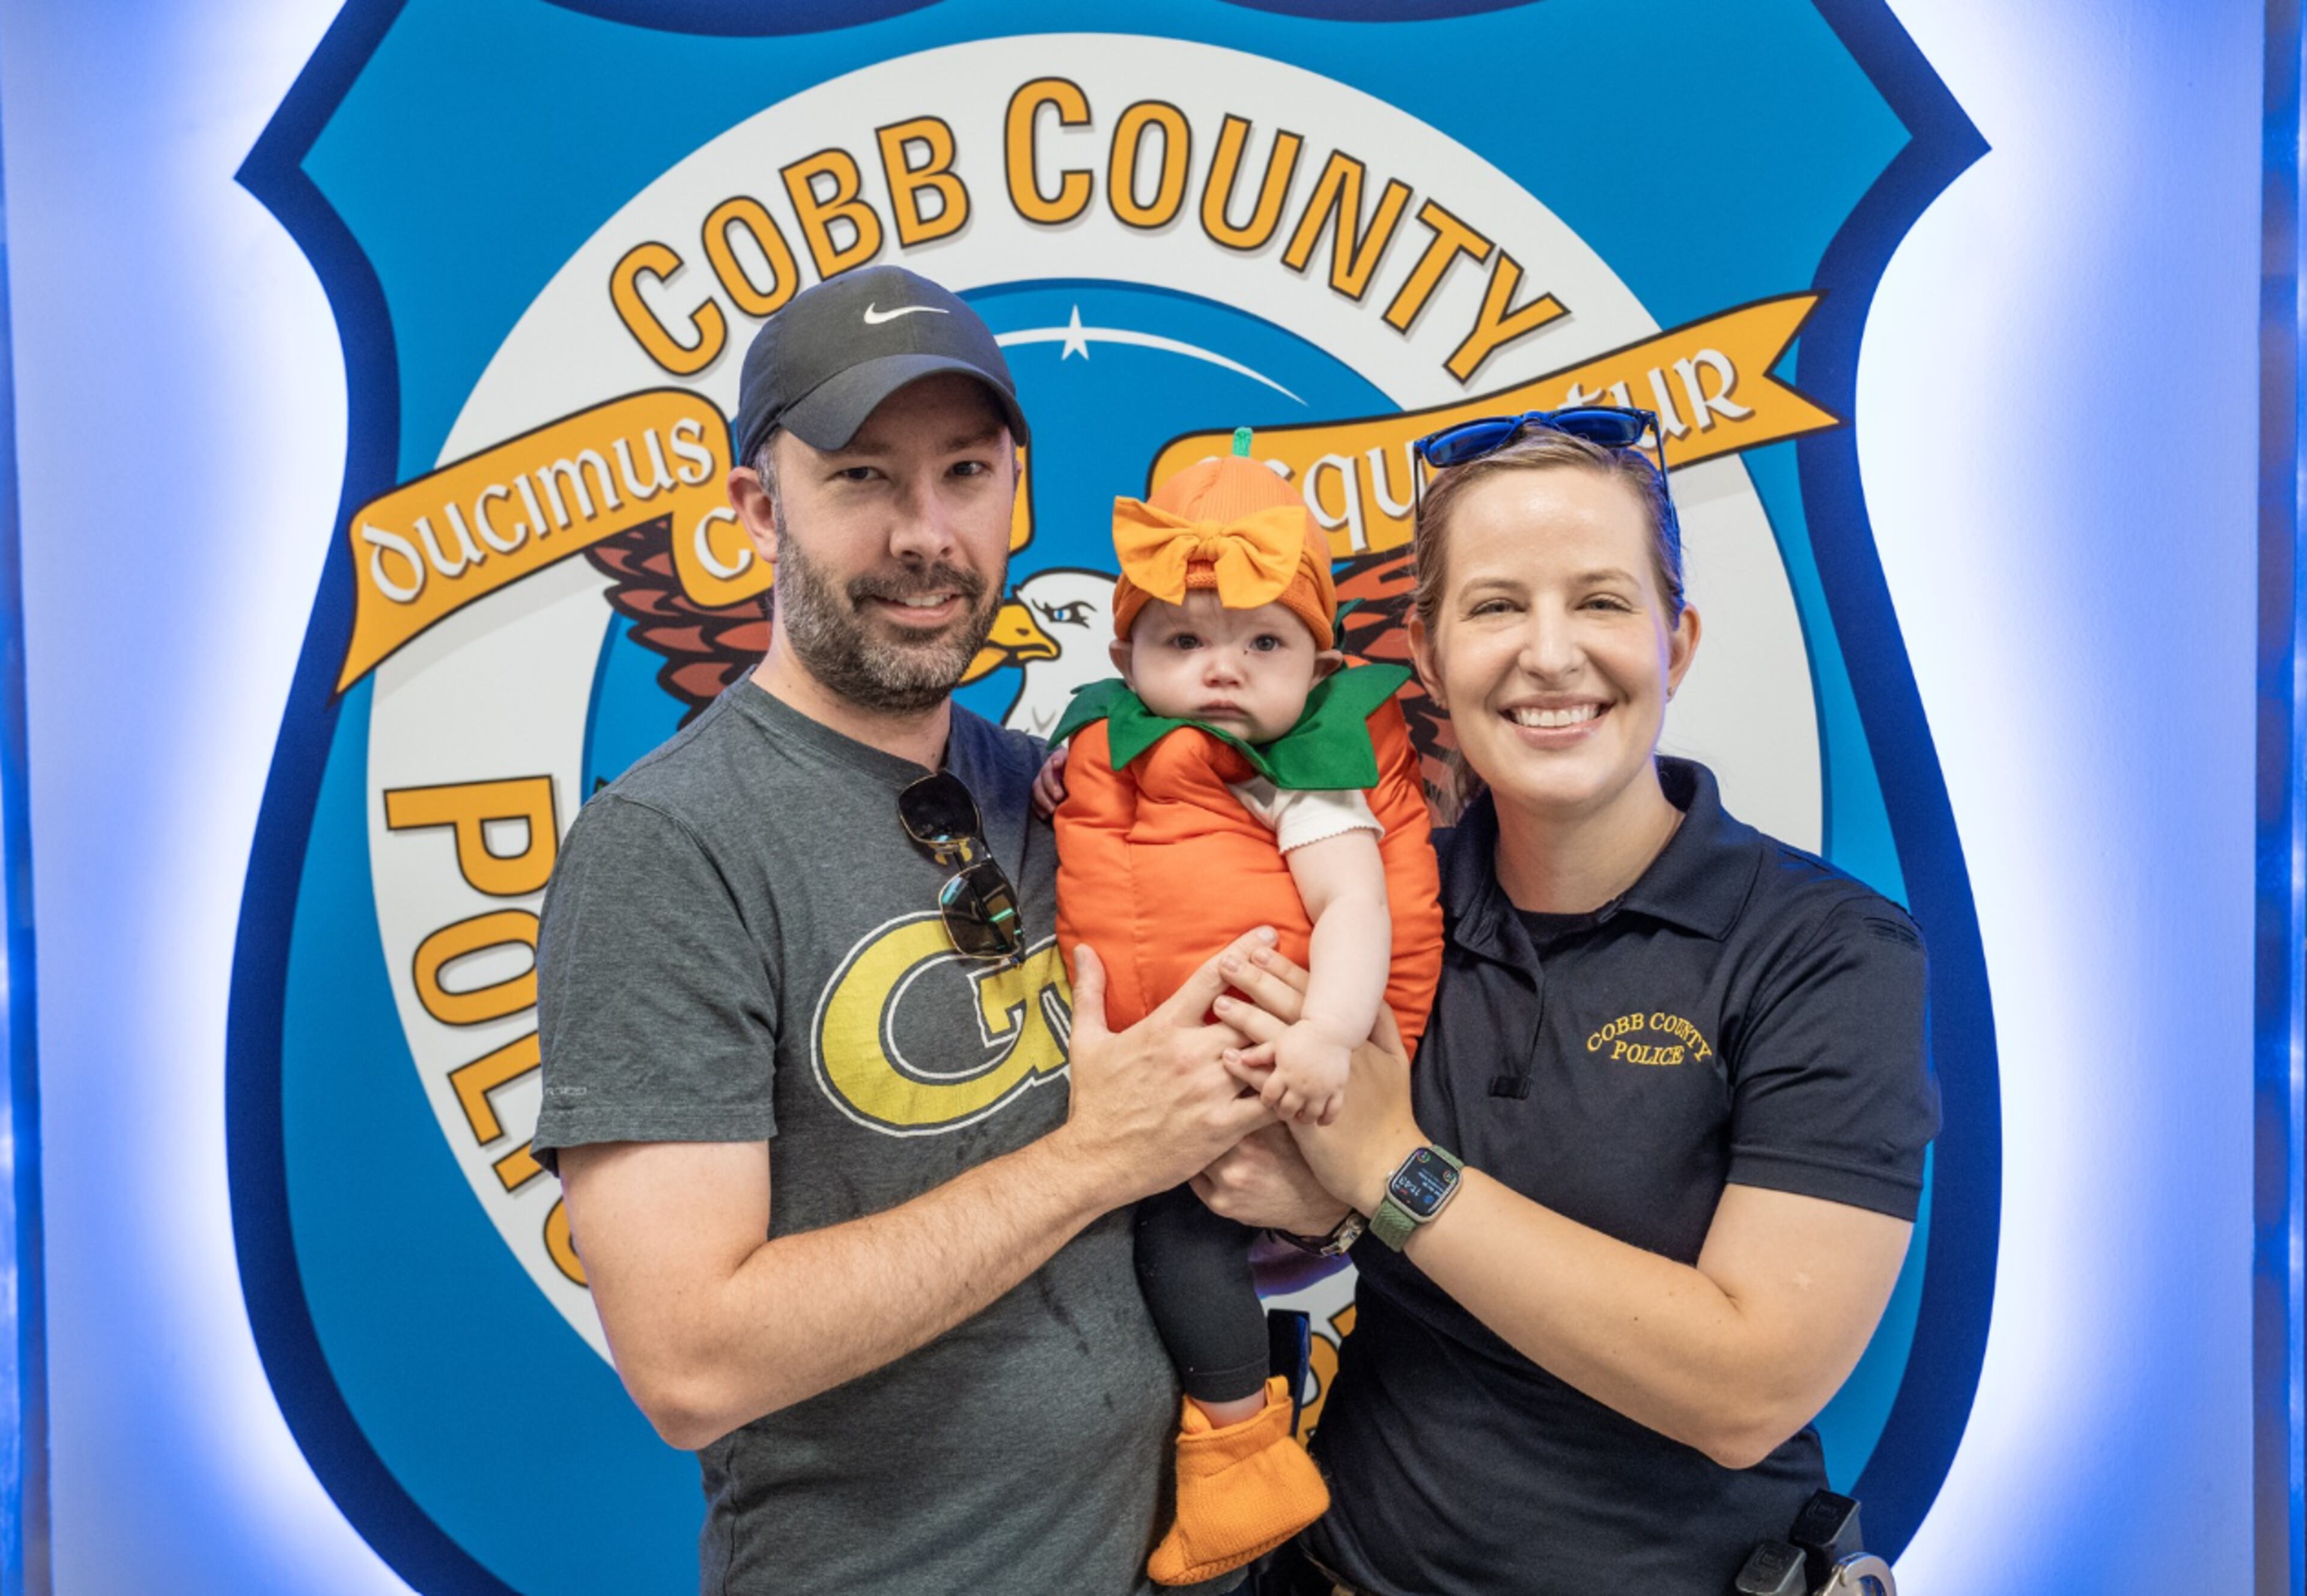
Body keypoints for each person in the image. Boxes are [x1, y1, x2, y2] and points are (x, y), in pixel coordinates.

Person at [529, 264, 1266, 1596]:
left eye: (966, 474)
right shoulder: (672, 846)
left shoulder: (1058, 785)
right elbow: (692, 1362)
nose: (927, 534)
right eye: (865, 478)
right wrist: (1094, 1161)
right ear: (761, 508)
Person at [1194, 413, 1941, 1594]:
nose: (1549, 655)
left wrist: (1392, 1175)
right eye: (1495, 607)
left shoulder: (1825, 954)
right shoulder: (1373, 923)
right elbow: (1246, 1184)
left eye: (1599, 601)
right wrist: (1330, 1210)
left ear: (1676, 642)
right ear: (1429, 659)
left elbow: (1747, 1387)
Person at [1046, 441, 1444, 1584]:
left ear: (1317, 665)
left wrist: (1323, 1036)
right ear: (1128, 657)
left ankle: (1239, 1450)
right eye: (1184, 640)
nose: (1223, 670)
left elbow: (1355, 907)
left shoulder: (1305, 766)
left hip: (1256, 1078)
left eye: (1262, 642)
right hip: (1153, 1080)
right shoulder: (1109, 746)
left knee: (1183, 1237)